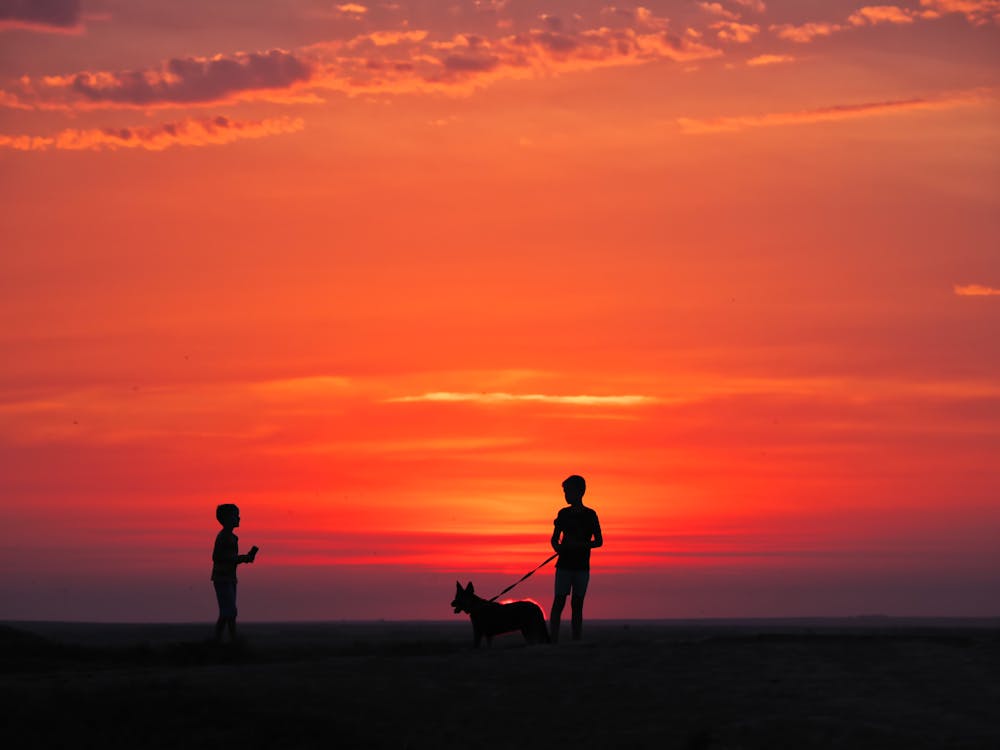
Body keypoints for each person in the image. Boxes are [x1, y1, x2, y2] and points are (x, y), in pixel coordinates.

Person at [550, 474, 602, 642]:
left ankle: (576, 640)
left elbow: (599, 541)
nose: (566, 495)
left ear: (580, 492)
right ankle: (553, 640)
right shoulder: (563, 514)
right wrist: (559, 548)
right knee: (559, 603)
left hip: (581, 567)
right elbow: (554, 539)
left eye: (568, 492)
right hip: (564, 565)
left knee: (577, 606)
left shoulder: (591, 515)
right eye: (565, 492)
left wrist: (579, 545)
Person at [211, 503, 258, 643]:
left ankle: (226, 641)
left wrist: (244, 558)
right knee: (229, 611)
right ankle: (230, 641)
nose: (239, 518)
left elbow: (230, 558)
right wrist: (242, 559)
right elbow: (217, 557)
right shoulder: (224, 537)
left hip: (229, 578)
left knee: (228, 612)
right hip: (222, 578)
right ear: (225, 518)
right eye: (235, 515)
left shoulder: (231, 537)